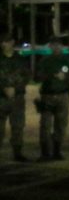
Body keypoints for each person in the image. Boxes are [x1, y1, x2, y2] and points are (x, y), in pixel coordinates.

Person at [35, 38, 69, 161]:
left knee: (60, 125)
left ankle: (57, 151)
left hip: (63, 96)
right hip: (47, 96)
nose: (56, 47)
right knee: (45, 126)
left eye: (58, 45)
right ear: (50, 47)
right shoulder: (45, 61)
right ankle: (45, 153)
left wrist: (66, 76)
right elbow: (37, 77)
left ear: (62, 46)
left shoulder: (67, 60)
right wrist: (49, 75)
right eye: (54, 45)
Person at [0, 34, 31, 162]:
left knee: (18, 126)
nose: (4, 44)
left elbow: (26, 77)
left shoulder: (21, 60)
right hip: (1, 98)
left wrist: (15, 89)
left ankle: (17, 153)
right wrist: (4, 88)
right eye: (2, 42)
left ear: (12, 42)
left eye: (7, 41)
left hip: (17, 98)